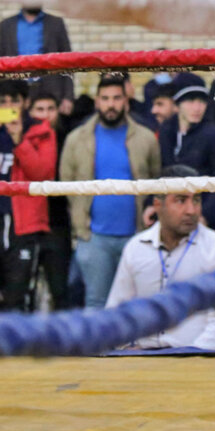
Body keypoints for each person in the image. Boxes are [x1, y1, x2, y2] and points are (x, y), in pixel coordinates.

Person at [106, 165, 215, 350]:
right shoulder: (135, 247)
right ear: (157, 204)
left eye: (196, 200)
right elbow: (117, 311)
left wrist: (188, 357)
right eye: (181, 200)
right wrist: (125, 350)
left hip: (199, 363)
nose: (191, 210)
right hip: (140, 360)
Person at [60, 74, 161, 309]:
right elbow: (66, 182)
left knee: (138, 305)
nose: (111, 104)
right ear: (96, 101)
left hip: (137, 235)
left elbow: (156, 180)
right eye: (105, 98)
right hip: (94, 237)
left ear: (126, 100)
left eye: (116, 98)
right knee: (96, 303)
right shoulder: (76, 139)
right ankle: (97, 348)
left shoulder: (146, 138)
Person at [0, 82, 57, 311]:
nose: (8, 107)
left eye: (14, 101)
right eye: (2, 102)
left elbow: (43, 176)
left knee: (17, 297)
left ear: (25, 103)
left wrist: (20, 141)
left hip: (23, 226)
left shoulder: (41, 131)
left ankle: (17, 347)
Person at [159, 77, 215, 225]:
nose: (197, 108)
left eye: (202, 101)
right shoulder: (166, 130)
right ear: (177, 104)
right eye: (190, 101)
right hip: (170, 213)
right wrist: (151, 205)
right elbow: (160, 172)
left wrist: (204, 215)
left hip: (200, 213)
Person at [27, 91, 74, 310]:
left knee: (61, 290)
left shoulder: (69, 138)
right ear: (30, 112)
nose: (46, 115)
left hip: (58, 223)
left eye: (50, 109)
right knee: (21, 291)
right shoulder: (21, 136)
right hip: (26, 224)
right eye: (40, 109)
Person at [0, 6, 74, 109]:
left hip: (50, 90)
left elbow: (68, 62)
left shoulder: (56, 24)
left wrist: (68, 96)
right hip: (16, 92)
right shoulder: (6, 25)